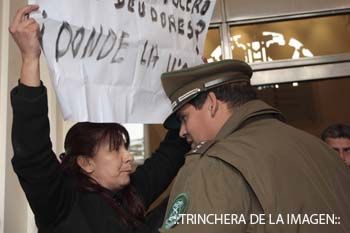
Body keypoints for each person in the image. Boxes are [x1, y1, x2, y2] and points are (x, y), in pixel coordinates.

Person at [9, 5, 190, 233]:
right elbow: (33, 153)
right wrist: (29, 58)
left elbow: (171, 153)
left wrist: (191, 85)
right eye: (115, 149)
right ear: (86, 163)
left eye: (125, 147)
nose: (128, 157)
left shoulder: (132, 192)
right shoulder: (63, 203)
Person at [159, 60, 350, 232]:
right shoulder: (322, 151)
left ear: (211, 103)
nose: (182, 131)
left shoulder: (215, 165)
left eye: (185, 118)